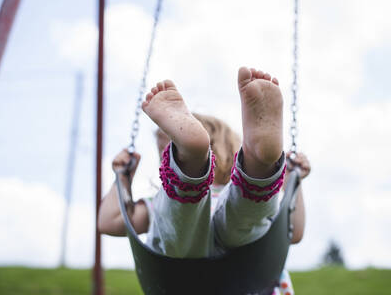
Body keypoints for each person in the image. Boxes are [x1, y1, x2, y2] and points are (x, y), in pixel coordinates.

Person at [98, 67, 311, 294]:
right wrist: (291, 181)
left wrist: (122, 177)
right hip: (251, 274)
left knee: (177, 225)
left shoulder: (155, 205)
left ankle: (188, 171)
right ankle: (260, 168)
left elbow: (108, 222)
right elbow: (292, 232)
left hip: (182, 277)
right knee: (248, 217)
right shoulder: (228, 197)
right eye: (171, 156)